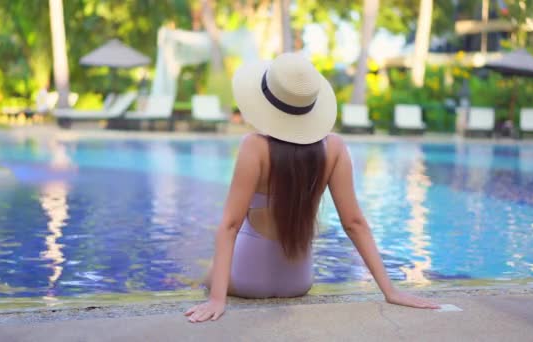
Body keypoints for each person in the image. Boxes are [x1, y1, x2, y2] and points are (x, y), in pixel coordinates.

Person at [185, 53, 439, 323]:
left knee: (206, 272)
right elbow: (354, 223)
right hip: (298, 282)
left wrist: (217, 299)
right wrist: (390, 290)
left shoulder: (254, 147)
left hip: (246, 279)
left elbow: (230, 225)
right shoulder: (335, 148)